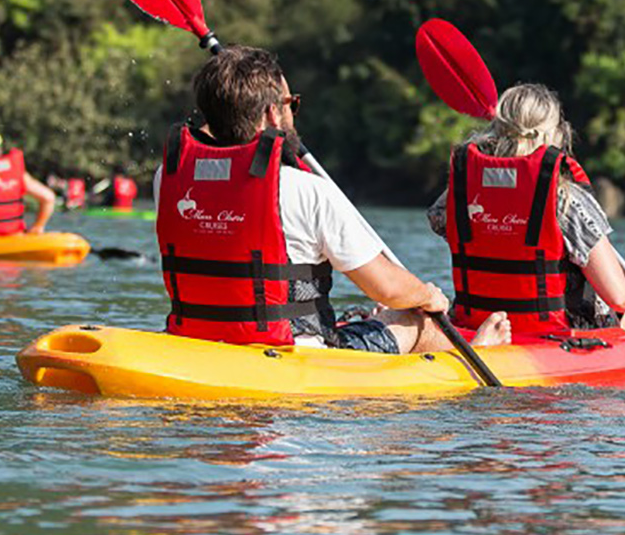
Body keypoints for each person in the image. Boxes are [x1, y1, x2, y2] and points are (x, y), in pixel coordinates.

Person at [157, 46, 508, 353]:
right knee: (416, 320)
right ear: (271, 114)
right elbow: (387, 288)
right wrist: (427, 295)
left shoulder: (168, 178)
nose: (293, 113)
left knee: (377, 316)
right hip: (295, 351)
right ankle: (478, 350)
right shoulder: (307, 190)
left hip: (200, 342)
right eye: (290, 104)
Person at [428, 83, 625, 335]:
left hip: (479, 326)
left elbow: (438, 220)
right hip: (560, 334)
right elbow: (619, 298)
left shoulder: (460, 193)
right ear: (555, 133)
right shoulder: (566, 199)